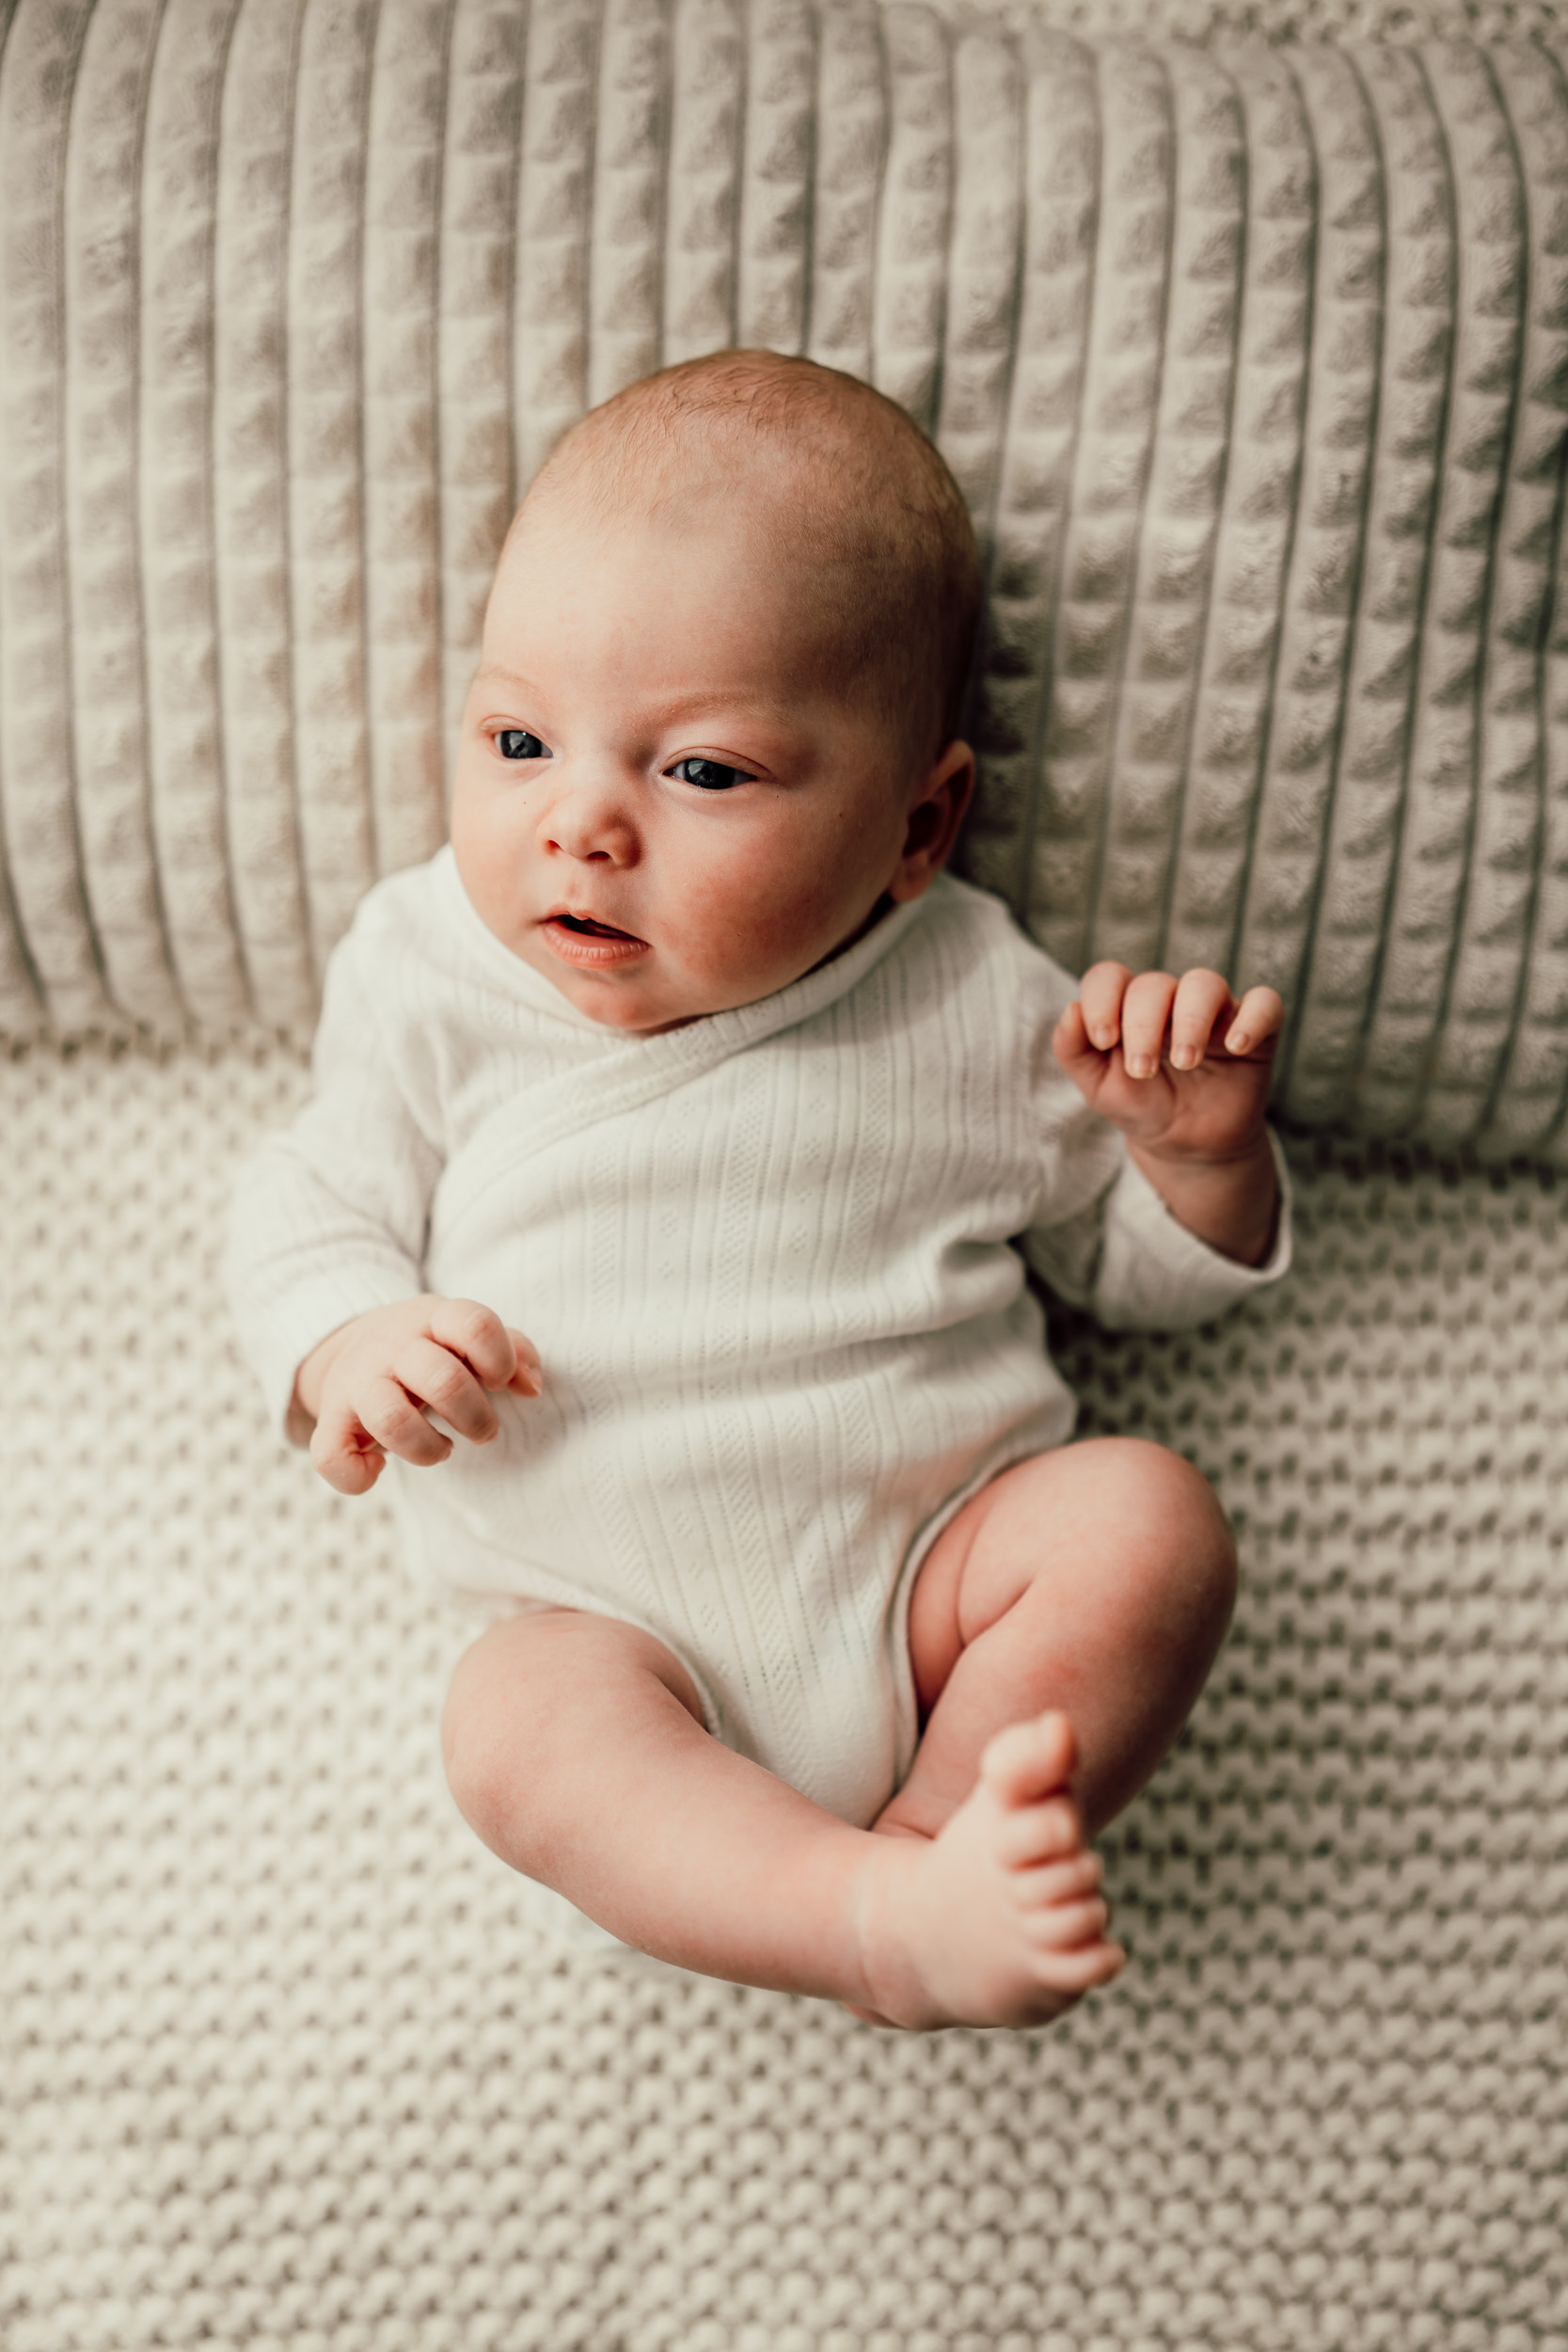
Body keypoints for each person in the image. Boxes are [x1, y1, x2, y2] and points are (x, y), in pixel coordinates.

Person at [227, 349, 1290, 2031]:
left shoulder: (970, 995)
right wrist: (348, 1333)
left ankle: (937, 1860)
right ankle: (858, 1916)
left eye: (704, 772)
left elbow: (1135, 1276)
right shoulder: (431, 968)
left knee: (1145, 1523)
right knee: (510, 1722)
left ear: (918, 829)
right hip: (621, 1651)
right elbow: (310, 1193)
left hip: (938, 1584)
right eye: (519, 740)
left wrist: (1199, 1155)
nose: (580, 825)